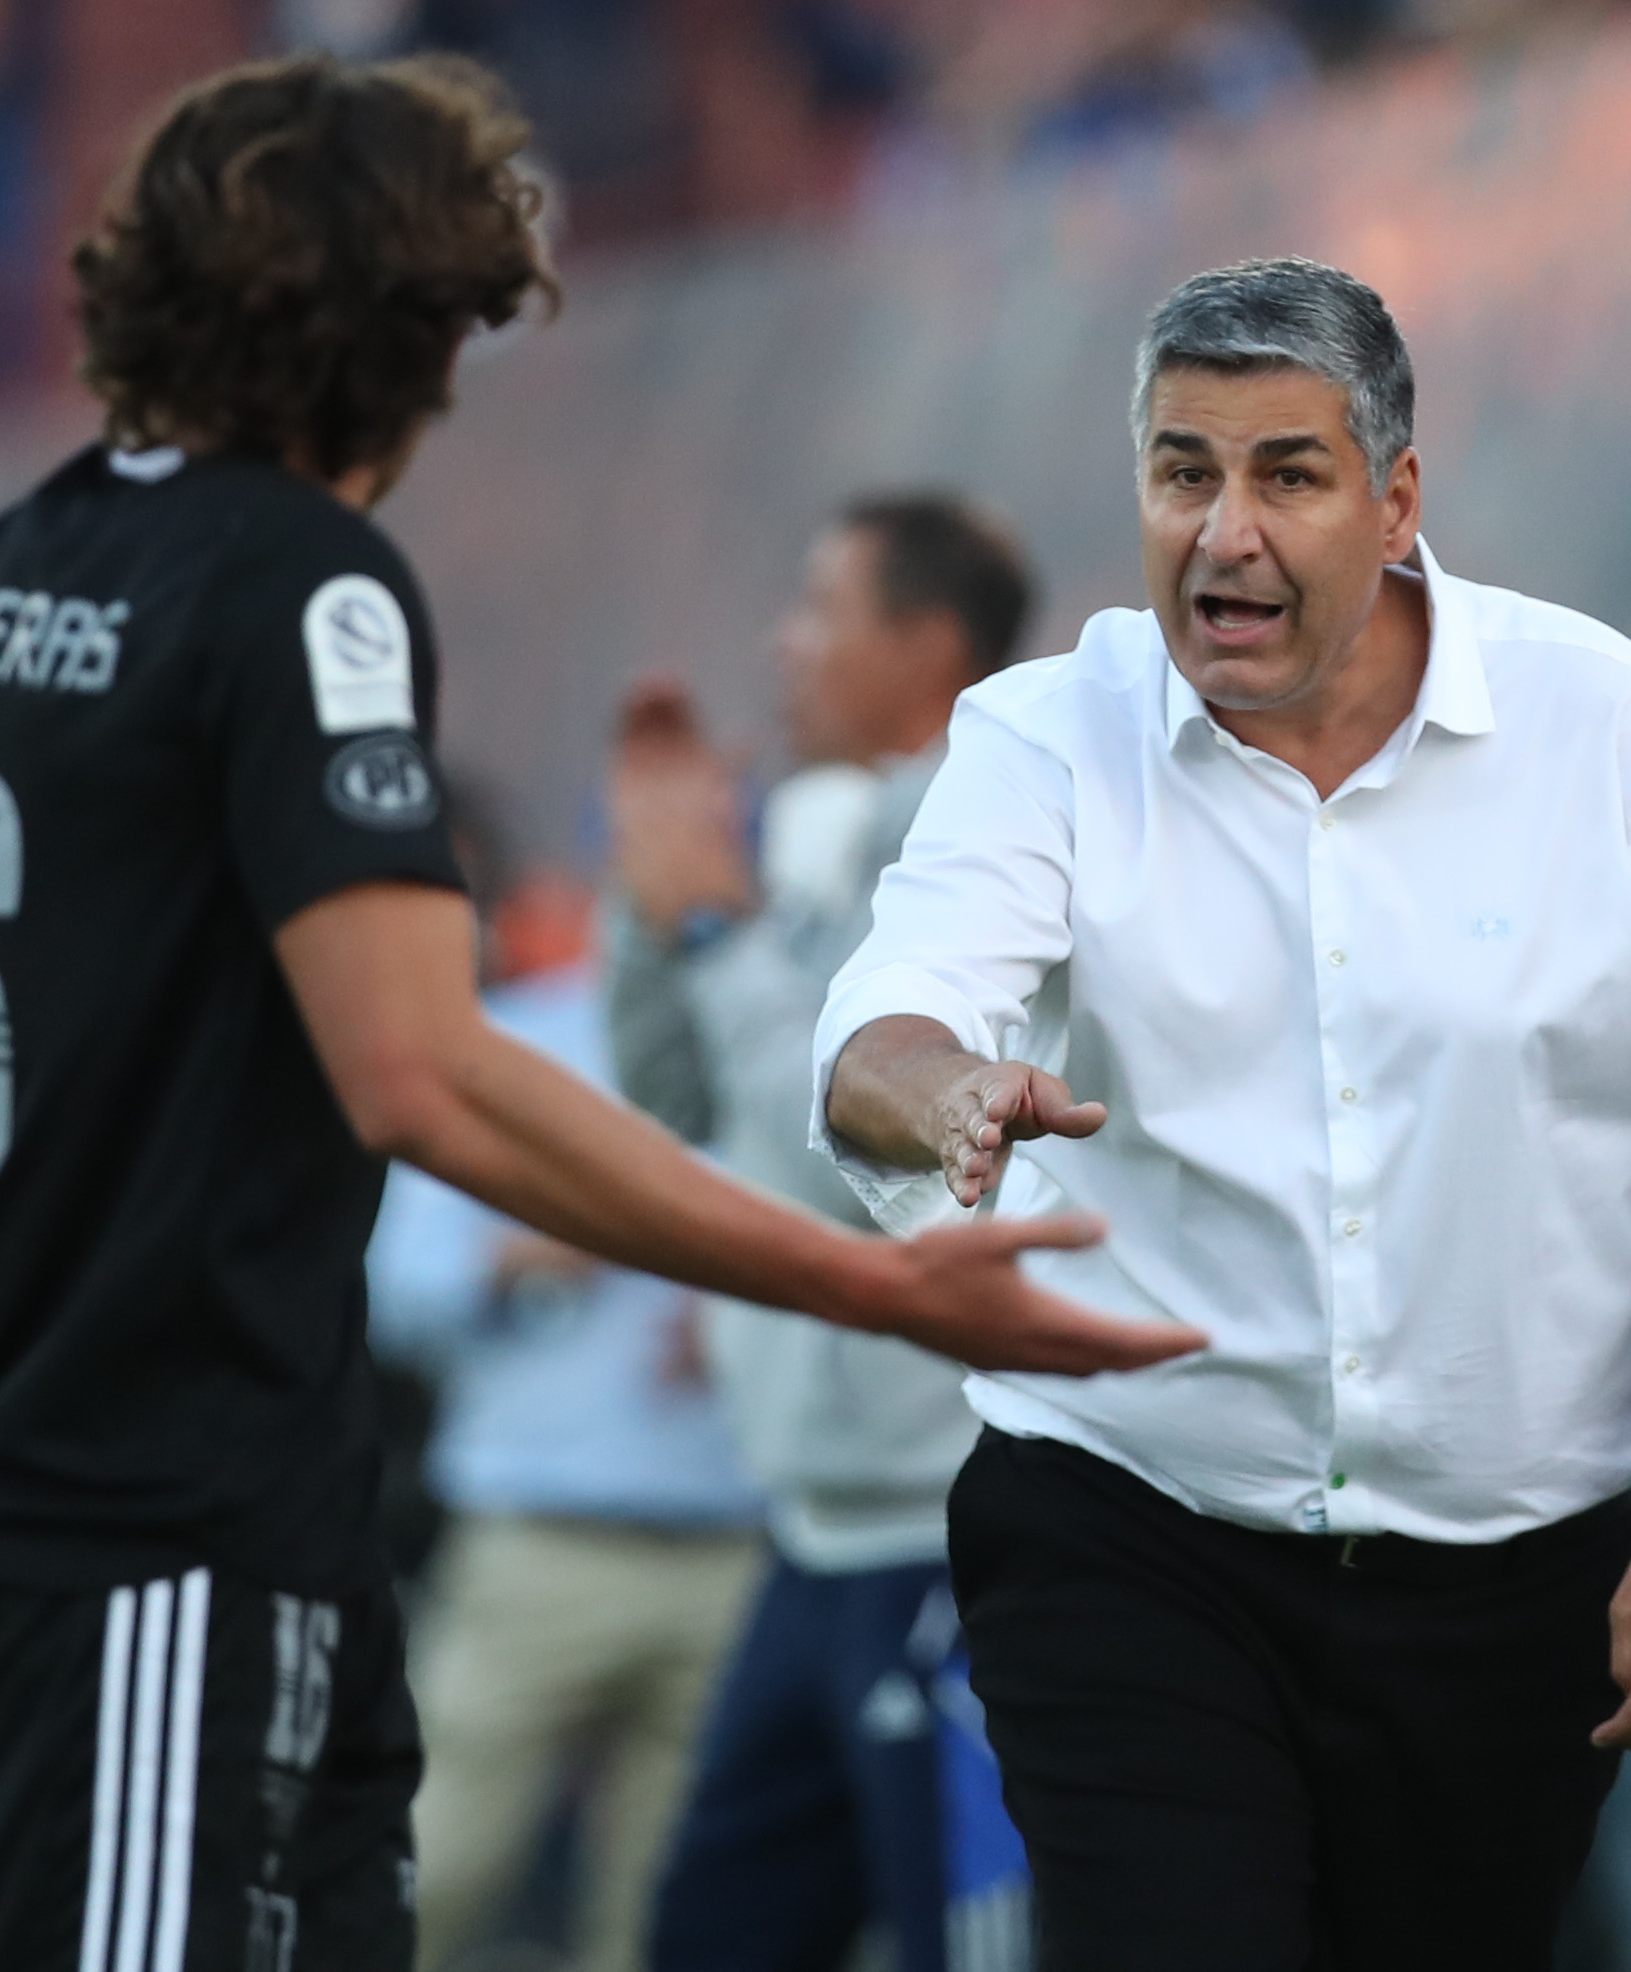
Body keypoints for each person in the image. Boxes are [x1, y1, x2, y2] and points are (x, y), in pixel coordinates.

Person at [0, 52, 1194, 1972]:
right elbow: (419, 1073)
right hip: (167, 1522)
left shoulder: (13, 560)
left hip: (64, 1492)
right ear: (401, 328)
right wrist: (874, 1284)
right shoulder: (306, 584)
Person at [815, 257, 1631, 1967]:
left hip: (1513, 1586)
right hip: (1124, 1532)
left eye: (1283, 474)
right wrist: (943, 1091)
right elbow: (883, 1019)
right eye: (1178, 472)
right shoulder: (1041, 736)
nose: (1220, 531)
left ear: (1391, 502)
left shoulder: (1605, 730)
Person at [605, 494, 1037, 1972]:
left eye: (816, 610)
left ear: (922, 646)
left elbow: (849, 1159)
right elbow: (673, 1095)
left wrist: (720, 932)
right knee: (705, 1939)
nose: (781, 647)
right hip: (807, 1539)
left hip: (943, 1547)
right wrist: (655, 894)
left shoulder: (974, 850)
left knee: (964, 1952)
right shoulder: (819, 835)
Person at [366, 805, 764, 1972]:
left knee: (664, 1920)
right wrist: (545, 1248)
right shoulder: (517, 1037)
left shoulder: (791, 1046)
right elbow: (400, 1285)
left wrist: (744, 1312)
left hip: (727, 1543)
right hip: (536, 1534)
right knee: (425, 1876)